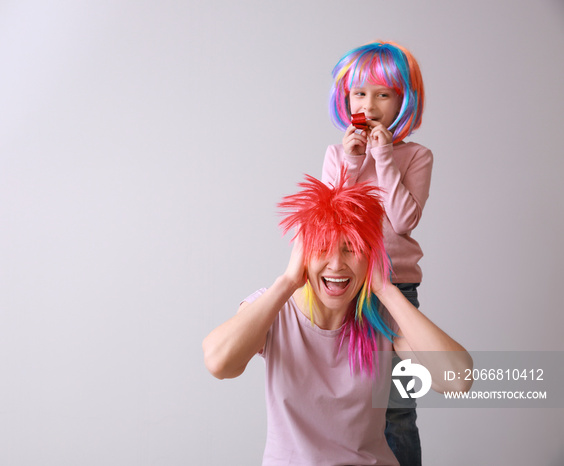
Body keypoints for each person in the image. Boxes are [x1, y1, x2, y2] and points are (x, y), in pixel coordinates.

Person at [202, 171, 471, 466]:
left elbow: (458, 380)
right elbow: (219, 362)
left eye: (350, 248)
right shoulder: (276, 310)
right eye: (322, 248)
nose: (336, 264)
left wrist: (385, 289)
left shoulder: (381, 317)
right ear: (303, 253)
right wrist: (289, 280)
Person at [323, 41, 432, 465]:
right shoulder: (337, 154)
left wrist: (383, 156)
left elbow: (403, 220)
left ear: (403, 100)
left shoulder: (417, 156)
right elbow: (332, 220)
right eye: (360, 93)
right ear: (346, 100)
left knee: (399, 410)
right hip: (345, 287)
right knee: (350, 403)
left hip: (398, 290)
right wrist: (351, 164)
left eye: (384, 94)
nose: (370, 104)